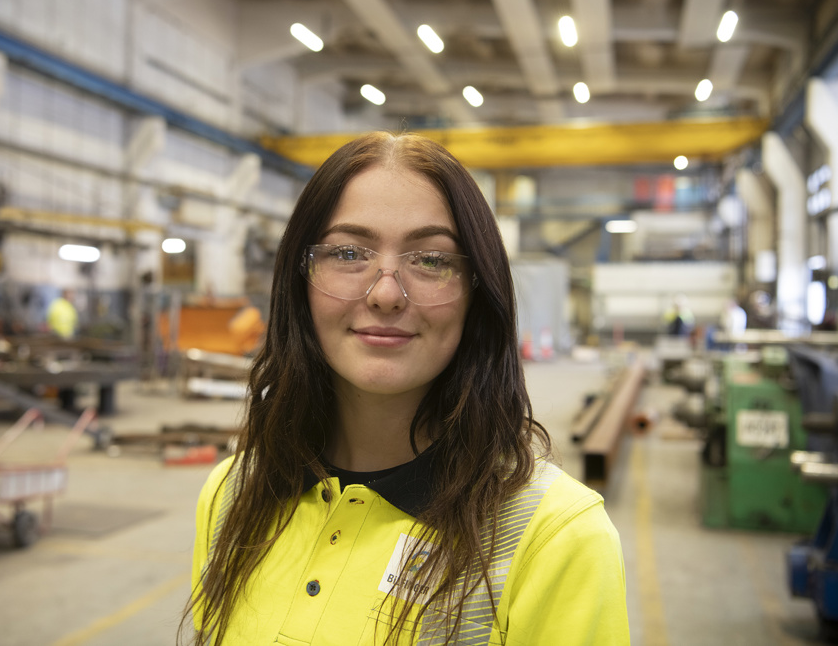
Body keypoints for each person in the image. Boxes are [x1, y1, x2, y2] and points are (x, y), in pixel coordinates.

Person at [183, 132, 629, 645]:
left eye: (432, 260)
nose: (387, 294)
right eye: (349, 252)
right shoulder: (233, 494)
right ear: (299, 281)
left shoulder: (556, 537)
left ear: (476, 294)